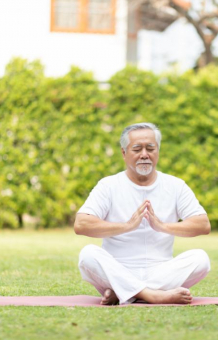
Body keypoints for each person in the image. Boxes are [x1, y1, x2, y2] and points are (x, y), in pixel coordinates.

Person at [74, 123, 211, 305]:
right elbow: (81, 224)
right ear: (124, 153)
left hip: (161, 272)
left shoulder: (175, 185)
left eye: (150, 148)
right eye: (137, 149)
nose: (144, 155)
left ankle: (125, 292)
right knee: (88, 254)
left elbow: (203, 225)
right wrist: (127, 226)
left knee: (201, 258)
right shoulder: (108, 185)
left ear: (158, 152)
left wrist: (162, 226)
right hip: (116, 268)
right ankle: (152, 295)